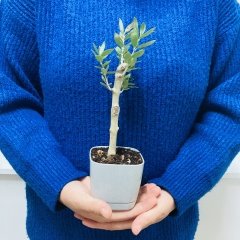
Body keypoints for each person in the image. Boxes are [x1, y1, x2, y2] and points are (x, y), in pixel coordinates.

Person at [0, 0, 240, 239]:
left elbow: (231, 106)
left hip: (166, 230)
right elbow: (7, 95)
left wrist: (178, 186)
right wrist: (57, 179)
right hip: (57, 228)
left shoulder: (214, 5)